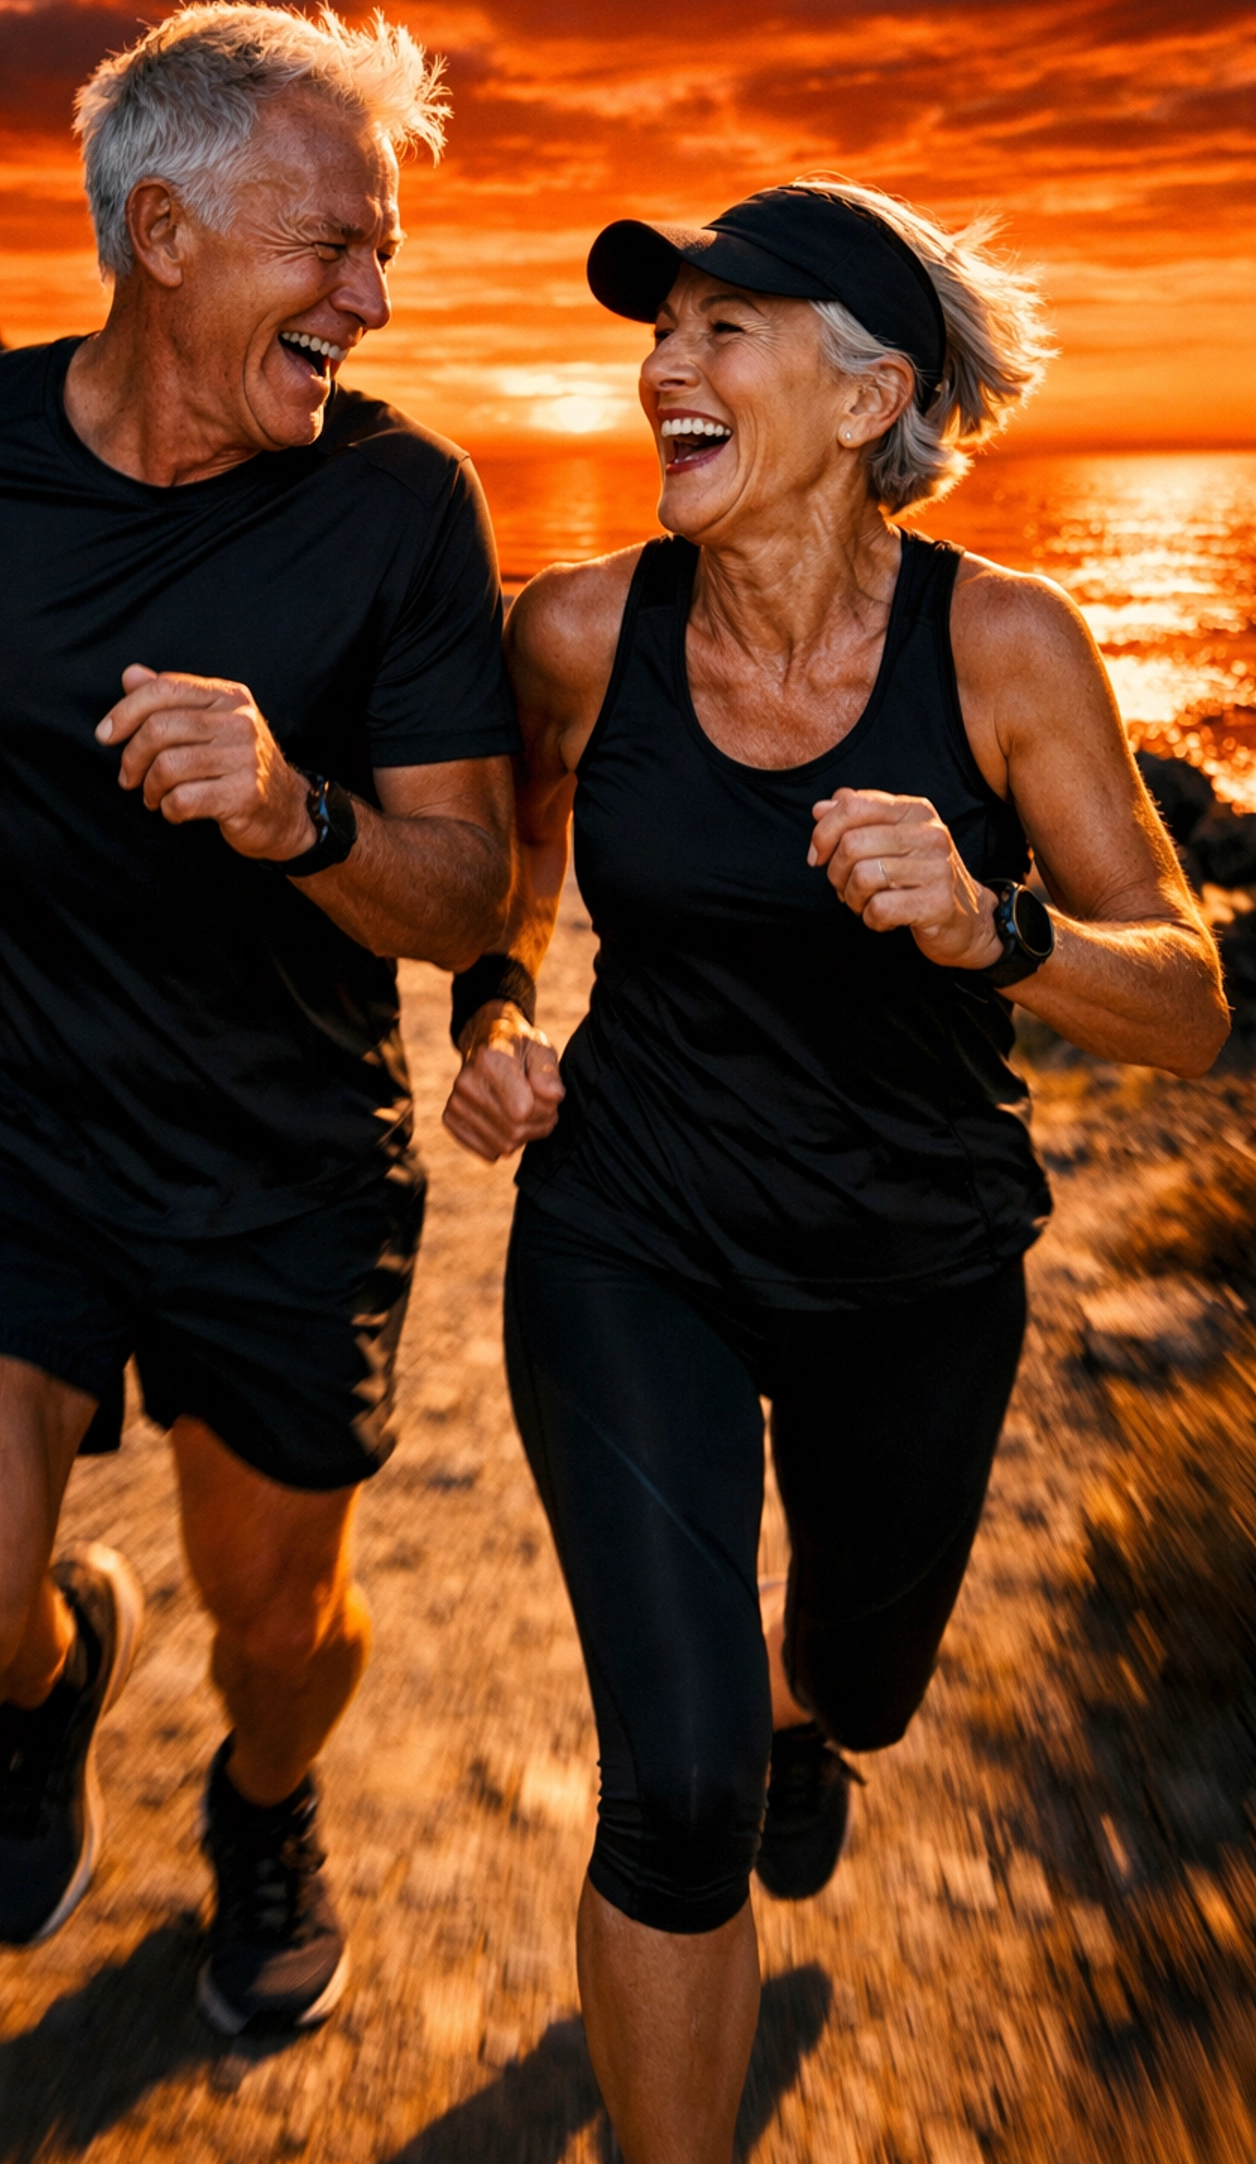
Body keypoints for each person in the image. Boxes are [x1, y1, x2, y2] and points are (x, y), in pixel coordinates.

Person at [0, 1, 519, 2037]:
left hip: (278, 1159)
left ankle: (265, 1806)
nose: (371, 292)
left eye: (384, 253)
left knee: (280, 1631)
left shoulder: (404, 509)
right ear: (161, 234)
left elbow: (469, 891)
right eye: (328, 246)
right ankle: (56, 1664)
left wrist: (292, 810)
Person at [443, 179, 1228, 2163]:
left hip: (919, 1262)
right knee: (678, 1799)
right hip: (636, 1240)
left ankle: (815, 1725)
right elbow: (510, 868)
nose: (661, 369)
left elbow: (1194, 999)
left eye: (725, 330)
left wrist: (996, 930)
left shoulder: (1009, 646)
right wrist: (491, 1019)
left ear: (870, 393)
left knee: (858, 1693)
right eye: (661, 332)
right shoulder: (578, 628)